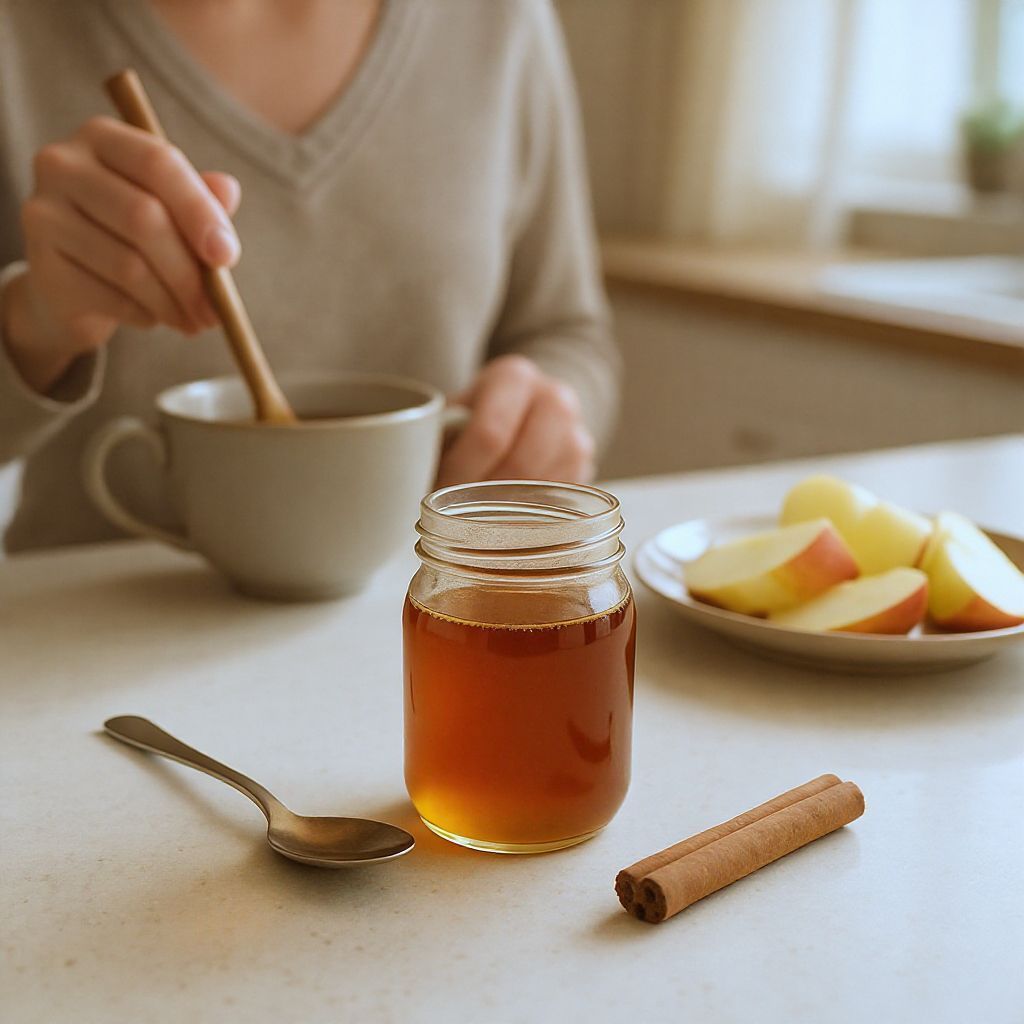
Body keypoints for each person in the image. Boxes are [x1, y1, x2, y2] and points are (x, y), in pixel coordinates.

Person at [0, 0, 619, 553]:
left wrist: (546, 416)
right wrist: (36, 322)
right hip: (90, 627)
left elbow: (566, 334)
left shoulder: (498, 19)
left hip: (420, 610)